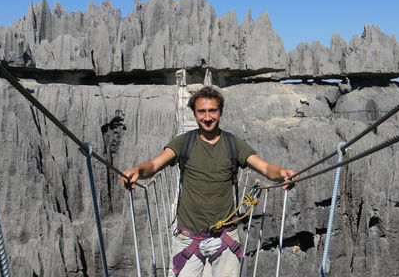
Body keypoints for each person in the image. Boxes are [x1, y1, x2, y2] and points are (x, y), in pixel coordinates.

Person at [120, 86, 297, 276]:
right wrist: (137, 170)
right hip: (188, 238)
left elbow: (265, 168)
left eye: (212, 111)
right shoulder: (183, 143)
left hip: (225, 237)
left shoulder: (233, 144)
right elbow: (154, 165)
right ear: (194, 114)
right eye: (201, 112)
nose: (207, 117)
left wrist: (282, 173)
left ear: (220, 112)